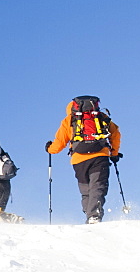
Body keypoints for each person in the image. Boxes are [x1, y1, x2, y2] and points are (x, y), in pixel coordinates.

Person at [45, 96, 122, 224]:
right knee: (97, 187)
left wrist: (49, 149)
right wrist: (114, 153)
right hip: (99, 156)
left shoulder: (69, 120)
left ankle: (90, 216)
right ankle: (93, 216)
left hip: (79, 160)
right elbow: (115, 133)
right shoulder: (101, 117)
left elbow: (59, 144)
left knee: (86, 190)